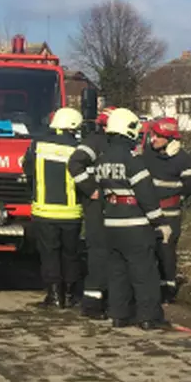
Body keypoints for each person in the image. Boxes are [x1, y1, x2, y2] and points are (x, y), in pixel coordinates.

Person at [93, 107, 172, 330]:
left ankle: (119, 315)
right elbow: (147, 196)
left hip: (111, 224)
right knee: (143, 272)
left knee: (117, 273)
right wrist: (160, 223)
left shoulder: (101, 160)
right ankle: (148, 318)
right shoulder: (133, 161)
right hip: (135, 225)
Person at [23, 107, 85, 309]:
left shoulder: (38, 145)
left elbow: (27, 169)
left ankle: (54, 296)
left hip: (44, 211)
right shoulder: (79, 148)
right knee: (70, 254)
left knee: (50, 254)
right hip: (71, 213)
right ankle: (69, 295)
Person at [142, 117, 191, 304]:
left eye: (158, 136)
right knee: (147, 251)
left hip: (169, 214)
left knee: (166, 252)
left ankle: (168, 288)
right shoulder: (147, 153)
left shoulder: (183, 159)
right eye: (153, 135)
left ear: (171, 139)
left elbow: (189, 186)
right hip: (147, 212)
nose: (153, 139)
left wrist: (174, 198)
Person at [68, 106, 115, 319]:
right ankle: (92, 304)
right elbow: (75, 162)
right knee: (99, 252)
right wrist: (90, 189)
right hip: (97, 207)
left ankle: (109, 300)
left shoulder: (116, 144)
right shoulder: (94, 143)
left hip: (113, 206)